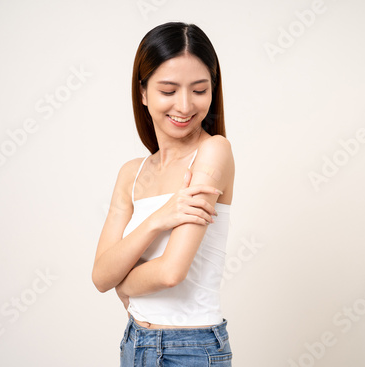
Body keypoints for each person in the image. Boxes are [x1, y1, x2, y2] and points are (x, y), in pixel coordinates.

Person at [92, 21, 235, 366]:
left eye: (199, 90)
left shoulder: (214, 152)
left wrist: (121, 282)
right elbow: (100, 276)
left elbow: (171, 273)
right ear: (142, 93)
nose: (184, 106)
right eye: (168, 91)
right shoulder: (131, 173)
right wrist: (159, 219)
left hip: (192, 349)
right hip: (134, 341)